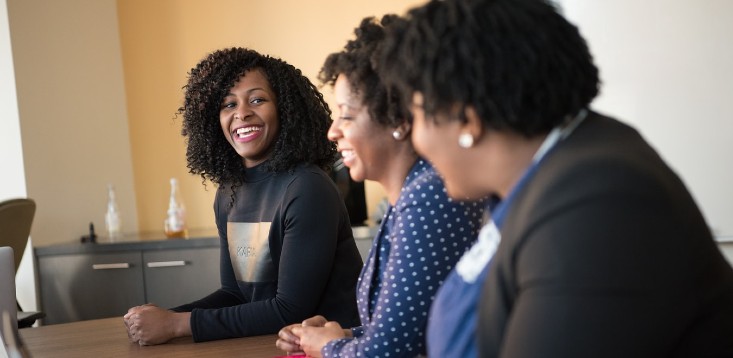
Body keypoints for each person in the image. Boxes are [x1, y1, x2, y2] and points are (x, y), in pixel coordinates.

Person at [378, 0, 733, 357]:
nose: (416, 140)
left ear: (467, 119)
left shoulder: (596, 198)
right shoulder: (543, 176)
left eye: (417, 116)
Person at [275, 15, 485, 357]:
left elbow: (387, 353)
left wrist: (329, 346)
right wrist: (344, 332)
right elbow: (412, 325)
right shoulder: (411, 195)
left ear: (398, 119)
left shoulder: (429, 196)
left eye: (346, 114)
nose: (332, 131)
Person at [123, 47, 363, 345]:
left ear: (285, 109)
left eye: (258, 100)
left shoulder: (307, 188)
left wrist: (176, 324)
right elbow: (235, 294)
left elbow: (289, 309)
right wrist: (165, 316)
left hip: (331, 349)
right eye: (228, 104)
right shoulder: (229, 192)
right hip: (266, 344)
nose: (242, 113)